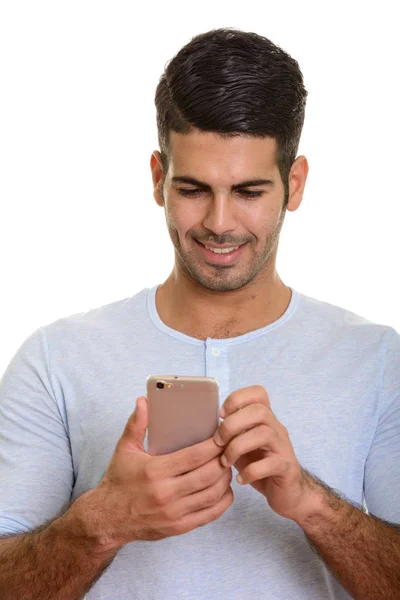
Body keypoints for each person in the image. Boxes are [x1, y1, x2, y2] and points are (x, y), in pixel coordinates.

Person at [0, 27, 399, 600]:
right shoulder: (54, 359)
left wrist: (314, 506)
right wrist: (101, 524)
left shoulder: (379, 360)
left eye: (248, 191)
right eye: (193, 188)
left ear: (295, 183)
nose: (219, 222)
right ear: (159, 179)